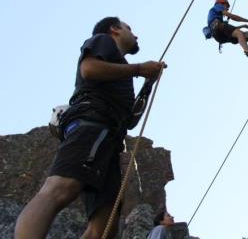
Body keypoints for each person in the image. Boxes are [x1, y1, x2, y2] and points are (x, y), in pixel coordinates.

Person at [15, 17, 166, 239]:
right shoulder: (103, 40)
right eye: (129, 28)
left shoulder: (121, 69)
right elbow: (89, 68)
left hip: (109, 137)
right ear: (115, 29)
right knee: (61, 188)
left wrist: (147, 84)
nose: (135, 34)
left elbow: (130, 120)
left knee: (105, 225)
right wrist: (140, 68)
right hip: (92, 123)